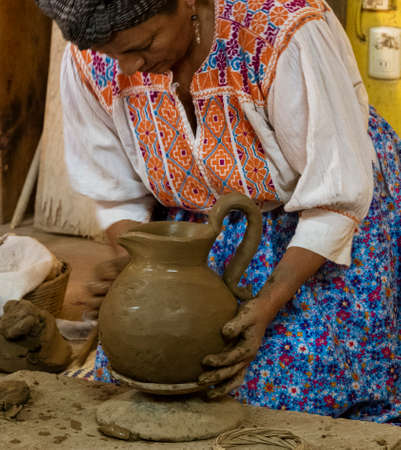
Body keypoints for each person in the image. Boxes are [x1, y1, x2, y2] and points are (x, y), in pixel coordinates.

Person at [35, 0, 401, 422]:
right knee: (134, 376)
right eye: (113, 55)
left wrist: (265, 305)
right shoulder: (93, 59)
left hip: (329, 220)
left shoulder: (282, 34)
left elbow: (334, 195)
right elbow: (114, 189)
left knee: (276, 394)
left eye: (145, 44)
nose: (130, 67)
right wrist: (136, 262)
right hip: (206, 228)